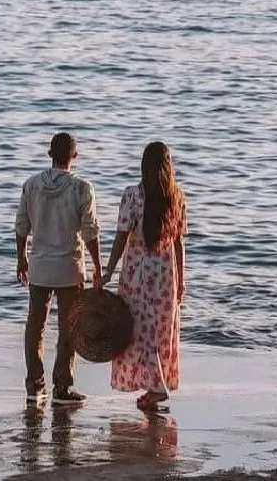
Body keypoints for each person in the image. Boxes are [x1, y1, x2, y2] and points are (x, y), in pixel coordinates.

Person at [15, 132, 102, 405]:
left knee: (35, 327)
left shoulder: (31, 185)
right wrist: (99, 266)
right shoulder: (81, 189)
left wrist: (21, 258)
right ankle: (62, 387)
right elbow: (90, 233)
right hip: (69, 269)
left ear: (50, 154)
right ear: (74, 156)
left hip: (40, 267)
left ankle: (34, 386)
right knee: (69, 328)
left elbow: (21, 227)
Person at [102, 141, 187, 411]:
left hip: (138, 275)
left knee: (139, 331)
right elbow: (178, 243)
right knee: (159, 332)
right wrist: (181, 280)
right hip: (165, 276)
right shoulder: (177, 197)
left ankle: (157, 387)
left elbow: (121, 237)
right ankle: (154, 387)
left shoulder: (132, 195)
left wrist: (108, 270)